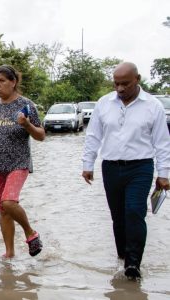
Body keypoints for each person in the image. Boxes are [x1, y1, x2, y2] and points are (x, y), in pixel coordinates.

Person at [82, 62, 170, 280]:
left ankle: (133, 263)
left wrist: (164, 172)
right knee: (118, 217)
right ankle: (122, 256)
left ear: (137, 79)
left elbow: (162, 142)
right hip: (111, 167)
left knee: (134, 212)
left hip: (140, 167)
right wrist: (88, 164)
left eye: (125, 84)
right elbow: (93, 136)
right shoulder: (104, 103)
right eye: (116, 84)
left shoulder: (153, 105)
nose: (120, 89)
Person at [0, 65, 45, 258]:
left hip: (18, 163)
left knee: (8, 201)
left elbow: (41, 136)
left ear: (13, 82)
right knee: (4, 211)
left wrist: (27, 124)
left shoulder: (26, 105)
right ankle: (9, 254)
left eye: (2, 81)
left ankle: (30, 233)